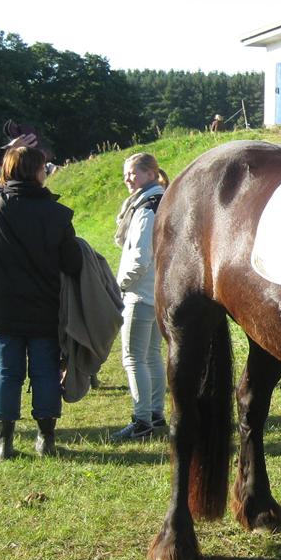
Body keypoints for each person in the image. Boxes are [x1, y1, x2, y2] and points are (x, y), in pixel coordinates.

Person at [0, 134, 82, 461]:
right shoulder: (57, 215)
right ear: (39, 173)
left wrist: (5, 148)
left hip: (0, 311)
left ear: (6, 169)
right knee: (45, 372)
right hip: (44, 310)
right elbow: (72, 264)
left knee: (6, 371)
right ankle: (46, 439)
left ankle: (3, 443)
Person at [111, 153, 168, 441]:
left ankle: (142, 420)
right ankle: (156, 415)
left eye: (132, 172)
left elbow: (140, 258)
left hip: (140, 293)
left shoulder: (146, 209)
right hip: (156, 292)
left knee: (134, 358)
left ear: (149, 173)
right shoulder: (162, 201)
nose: (127, 178)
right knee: (151, 356)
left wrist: (118, 285)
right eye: (125, 173)